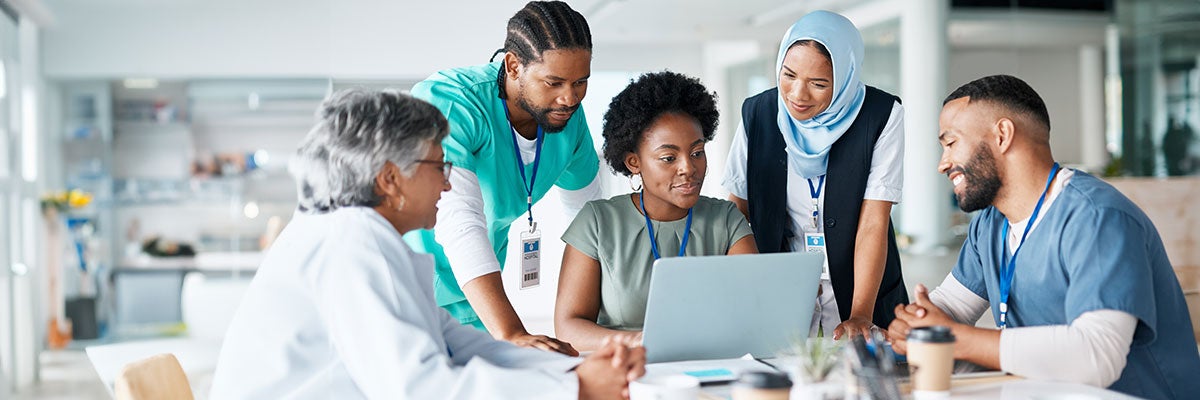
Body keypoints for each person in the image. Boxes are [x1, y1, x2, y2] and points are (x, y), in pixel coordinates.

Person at [210, 89, 645, 399]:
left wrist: (573, 368)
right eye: (438, 166)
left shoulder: (362, 237)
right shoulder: (350, 242)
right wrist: (577, 388)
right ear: (389, 179)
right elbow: (422, 388)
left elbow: (457, 343)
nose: (447, 181)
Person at [886, 75, 1200, 399]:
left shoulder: (1097, 217)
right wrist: (912, 326)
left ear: (1003, 135)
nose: (943, 163)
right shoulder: (990, 225)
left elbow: (1096, 356)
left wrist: (955, 338)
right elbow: (950, 307)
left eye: (951, 143)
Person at [403, 0, 600, 355]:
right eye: (554, 82)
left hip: (473, 303)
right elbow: (457, 220)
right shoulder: (454, 102)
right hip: (404, 291)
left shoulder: (567, 120)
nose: (569, 98)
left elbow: (589, 223)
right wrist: (511, 332)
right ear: (513, 65)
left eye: (581, 82)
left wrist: (594, 319)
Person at [723, 10, 907, 339]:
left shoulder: (880, 116)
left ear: (845, 77)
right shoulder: (759, 113)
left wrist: (861, 314)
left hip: (861, 284)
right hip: (782, 282)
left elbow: (873, 223)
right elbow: (737, 210)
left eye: (819, 84)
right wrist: (750, 287)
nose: (797, 95)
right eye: (789, 75)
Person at [554, 72, 758, 350]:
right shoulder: (598, 222)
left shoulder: (726, 220)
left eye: (697, 152)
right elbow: (569, 328)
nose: (688, 168)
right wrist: (642, 342)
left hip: (709, 367)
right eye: (668, 158)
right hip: (624, 371)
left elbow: (755, 309)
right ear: (634, 162)